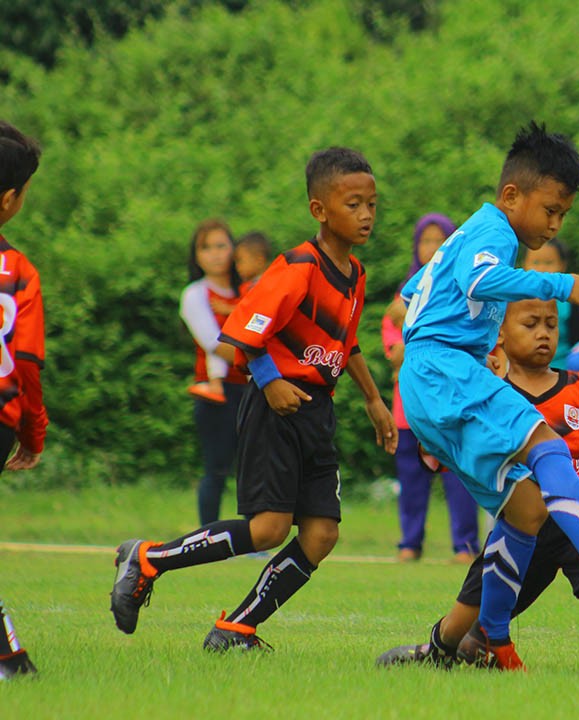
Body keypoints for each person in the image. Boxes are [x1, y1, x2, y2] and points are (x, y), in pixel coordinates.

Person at [398, 121, 579, 670]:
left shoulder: (465, 232)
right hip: (444, 371)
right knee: (546, 441)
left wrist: (469, 354)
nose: (554, 224)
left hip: (432, 376)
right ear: (511, 195)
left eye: (563, 215)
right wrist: (561, 284)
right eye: (550, 210)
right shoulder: (497, 234)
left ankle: (493, 642)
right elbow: (480, 284)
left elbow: (413, 295)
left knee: (525, 511)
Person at [110, 146, 397, 651]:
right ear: (319, 210)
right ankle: (148, 559)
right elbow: (239, 333)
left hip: (316, 412)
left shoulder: (356, 276)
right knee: (266, 530)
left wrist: (374, 400)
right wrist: (268, 380)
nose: (367, 214)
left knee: (321, 534)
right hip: (276, 408)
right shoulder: (297, 269)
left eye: (372, 203)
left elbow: (345, 344)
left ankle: (236, 627)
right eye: (353, 204)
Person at [377, 299, 579, 677]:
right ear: (500, 335)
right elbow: (444, 452)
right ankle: (442, 649)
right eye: (530, 324)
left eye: (550, 325)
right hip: (525, 517)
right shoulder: (487, 391)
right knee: (477, 602)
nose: (543, 333)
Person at [382, 213, 479, 563]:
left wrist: (416, 332)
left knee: (459, 476)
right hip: (409, 406)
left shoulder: (464, 290)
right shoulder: (403, 294)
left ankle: (465, 545)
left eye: (441, 241)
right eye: (426, 240)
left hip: (452, 405)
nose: (432, 248)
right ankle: (410, 543)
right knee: (411, 479)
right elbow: (395, 355)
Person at [0, 120, 48, 679]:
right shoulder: (18, 272)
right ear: (10, 200)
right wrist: (33, 432)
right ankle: (10, 659)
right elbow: (28, 365)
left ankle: (10, 658)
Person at [180, 219, 247, 524]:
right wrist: (262, 363)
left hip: (251, 388)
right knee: (217, 469)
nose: (215, 254)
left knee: (254, 466)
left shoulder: (246, 290)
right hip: (216, 390)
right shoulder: (195, 294)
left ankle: (256, 537)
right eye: (206, 247)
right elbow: (212, 342)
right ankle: (207, 537)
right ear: (196, 256)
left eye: (221, 245)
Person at [521, 238, 579, 368]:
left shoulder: (572, 304)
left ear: (562, 266)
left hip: (562, 375)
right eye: (535, 262)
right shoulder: (512, 301)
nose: (541, 269)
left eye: (549, 262)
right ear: (523, 265)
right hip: (520, 376)